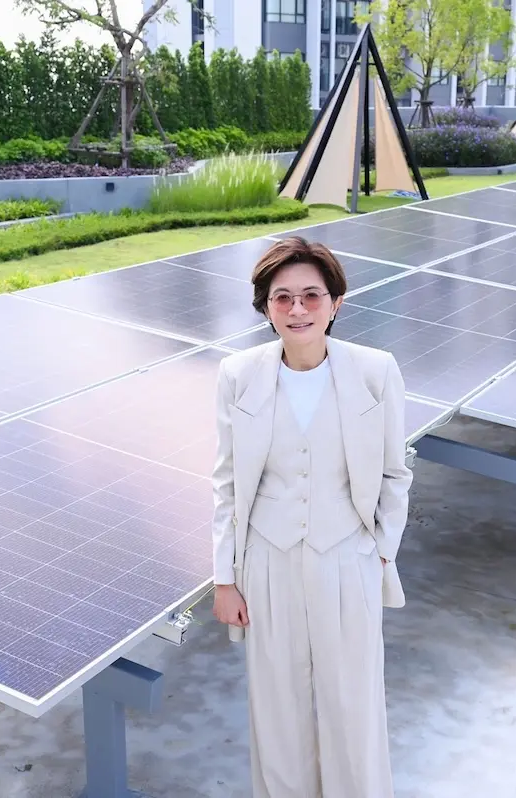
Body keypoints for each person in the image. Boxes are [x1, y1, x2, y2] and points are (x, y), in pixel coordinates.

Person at [209, 236, 414, 798]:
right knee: (276, 708)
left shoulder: (374, 371)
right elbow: (227, 482)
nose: (297, 309)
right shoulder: (237, 374)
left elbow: (395, 473)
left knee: (354, 705)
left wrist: (381, 552)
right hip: (267, 563)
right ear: (266, 307)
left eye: (311, 295)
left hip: (348, 557)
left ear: (335, 302)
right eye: (282, 298)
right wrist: (224, 578)